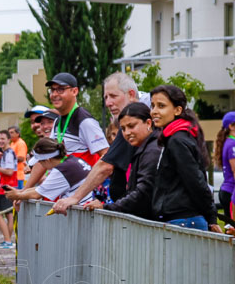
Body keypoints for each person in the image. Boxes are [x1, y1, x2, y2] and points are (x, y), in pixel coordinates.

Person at [51, 72, 142, 215]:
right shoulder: (57, 122)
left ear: (131, 94)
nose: (108, 103)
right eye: (106, 97)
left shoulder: (85, 120)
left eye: (113, 96)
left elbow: (106, 163)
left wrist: (75, 197)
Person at [148, 85, 222, 233]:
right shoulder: (175, 137)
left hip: (184, 221)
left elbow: (196, 181)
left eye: (161, 106)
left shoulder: (177, 141)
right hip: (181, 220)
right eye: (153, 105)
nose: (154, 111)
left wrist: (212, 217)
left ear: (177, 110)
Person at [29, 73, 108, 189]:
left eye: (60, 90)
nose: (54, 94)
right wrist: (24, 191)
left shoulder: (84, 121)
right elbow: (44, 157)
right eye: (52, 90)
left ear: (75, 91)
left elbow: (106, 156)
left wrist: (89, 186)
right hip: (64, 195)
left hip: (81, 199)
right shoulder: (57, 121)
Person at [82, 103, 161, 219]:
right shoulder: (144, 148)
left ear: (148, 123)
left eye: (131, 126)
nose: (127, 133)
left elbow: (143, 194)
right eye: (123, 129)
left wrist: (107, 208)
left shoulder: (152, 150)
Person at [5, 137, 93, 204]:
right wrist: (21, 192)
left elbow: (37, 194)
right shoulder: (72, 161)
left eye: (40, 161)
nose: (39, 164)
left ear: (48, 160)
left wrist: (17, 195)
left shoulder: (62, 170)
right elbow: (42, 188)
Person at [215, 111, 235, 229]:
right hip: (231, 192)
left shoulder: (229, 142)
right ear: (231, 126)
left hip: (228, 191)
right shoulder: (232, 144)